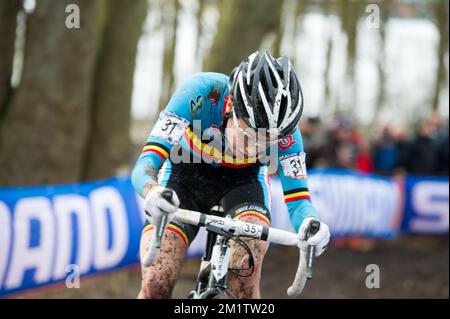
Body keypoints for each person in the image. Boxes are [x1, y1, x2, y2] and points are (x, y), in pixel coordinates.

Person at [131, 51, 330, 299]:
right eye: (247, 136)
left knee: (245, 282)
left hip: (243, 184)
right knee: (156, 282)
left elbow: (299, 200)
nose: (252, 148)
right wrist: (152, 191)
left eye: (265, 143)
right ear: (229, 107)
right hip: (184, 179)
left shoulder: (288, 133)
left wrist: (311, 224)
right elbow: (146, 164)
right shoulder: (200, 94)